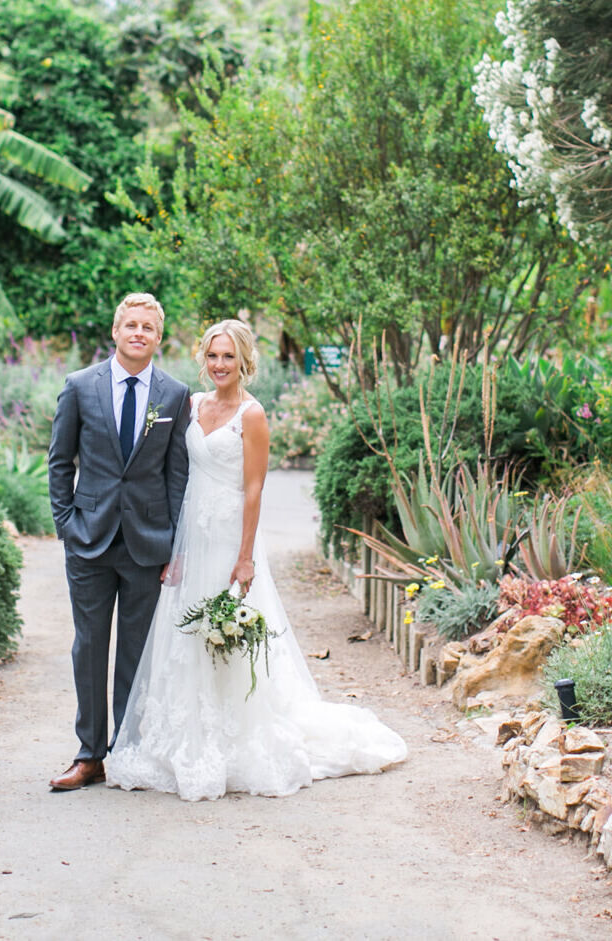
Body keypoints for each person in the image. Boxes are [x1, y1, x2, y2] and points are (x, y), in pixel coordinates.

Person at [106, 319, 407, 801]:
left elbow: (253, 489)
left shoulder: (252, 414)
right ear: (203, 359)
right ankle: (183, 735)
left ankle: (236, 735)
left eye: (228, 356)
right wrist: (174, 549)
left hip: (229, 537)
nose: (219, 364)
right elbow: (177, 477)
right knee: (185, 631)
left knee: (228, 631)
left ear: (244, 360)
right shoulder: (189, 406)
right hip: (191, 533)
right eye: (212, 356)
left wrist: (244, 558)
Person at [48, 293, 190, 791]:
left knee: (136, 652)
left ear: (158, 337)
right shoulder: (80, 387)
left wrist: (174, 544)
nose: (138, 333)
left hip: (147, 543)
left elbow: (177, 475)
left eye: (147, 327)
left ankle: (127, 752)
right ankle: (89, 755)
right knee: (89, 647)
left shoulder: (175, 395)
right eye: (130, 325)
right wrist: (66, 523)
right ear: (115, 331)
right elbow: (60, 462)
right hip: (88, 538)